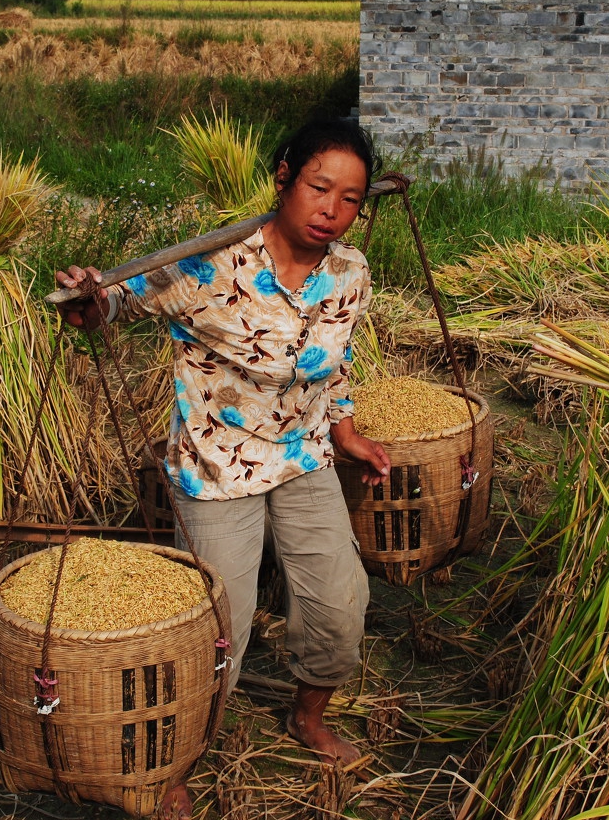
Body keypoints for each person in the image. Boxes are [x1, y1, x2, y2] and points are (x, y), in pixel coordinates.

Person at [55, 117, 391, 820]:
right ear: (283, 179)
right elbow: (112, 302)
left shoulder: (349, 273)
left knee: (340, 604)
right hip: (215, 469)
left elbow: (335, 365)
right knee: (217, 634)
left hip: (302, 458)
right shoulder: (210, 265)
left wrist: (349, 435)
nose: (332, 209)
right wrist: (89, 297)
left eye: (351, 198)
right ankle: (178, 763)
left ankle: (307, 715)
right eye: (318, 187)